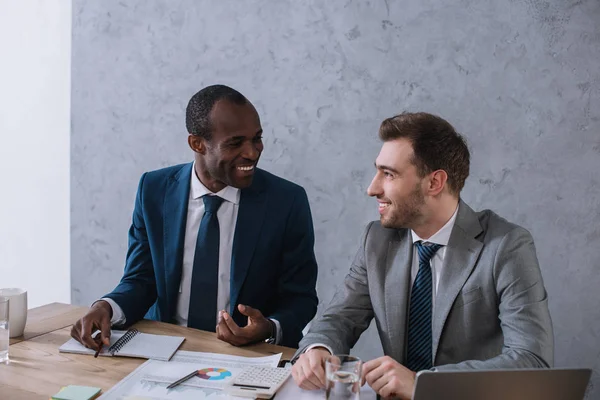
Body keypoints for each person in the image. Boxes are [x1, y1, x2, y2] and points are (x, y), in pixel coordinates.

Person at [291, 112, 553, 399]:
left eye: (388, 174)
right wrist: (318, 348)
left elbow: (532, 361)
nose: (372, 188)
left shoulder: (507, 246)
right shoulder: (376, 239)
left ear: (434, 183)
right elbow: (341, 316)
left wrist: (422, 383)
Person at [71, 85, 318, 350]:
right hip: (166, 348)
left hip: (248, 354)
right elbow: (140, 279)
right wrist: (105, 307)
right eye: (236, 142)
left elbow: (301, 298)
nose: (252, 152)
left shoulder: (286, 201)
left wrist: (268, 327)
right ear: (197, 143)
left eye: (256, 138)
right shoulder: (154, 190)